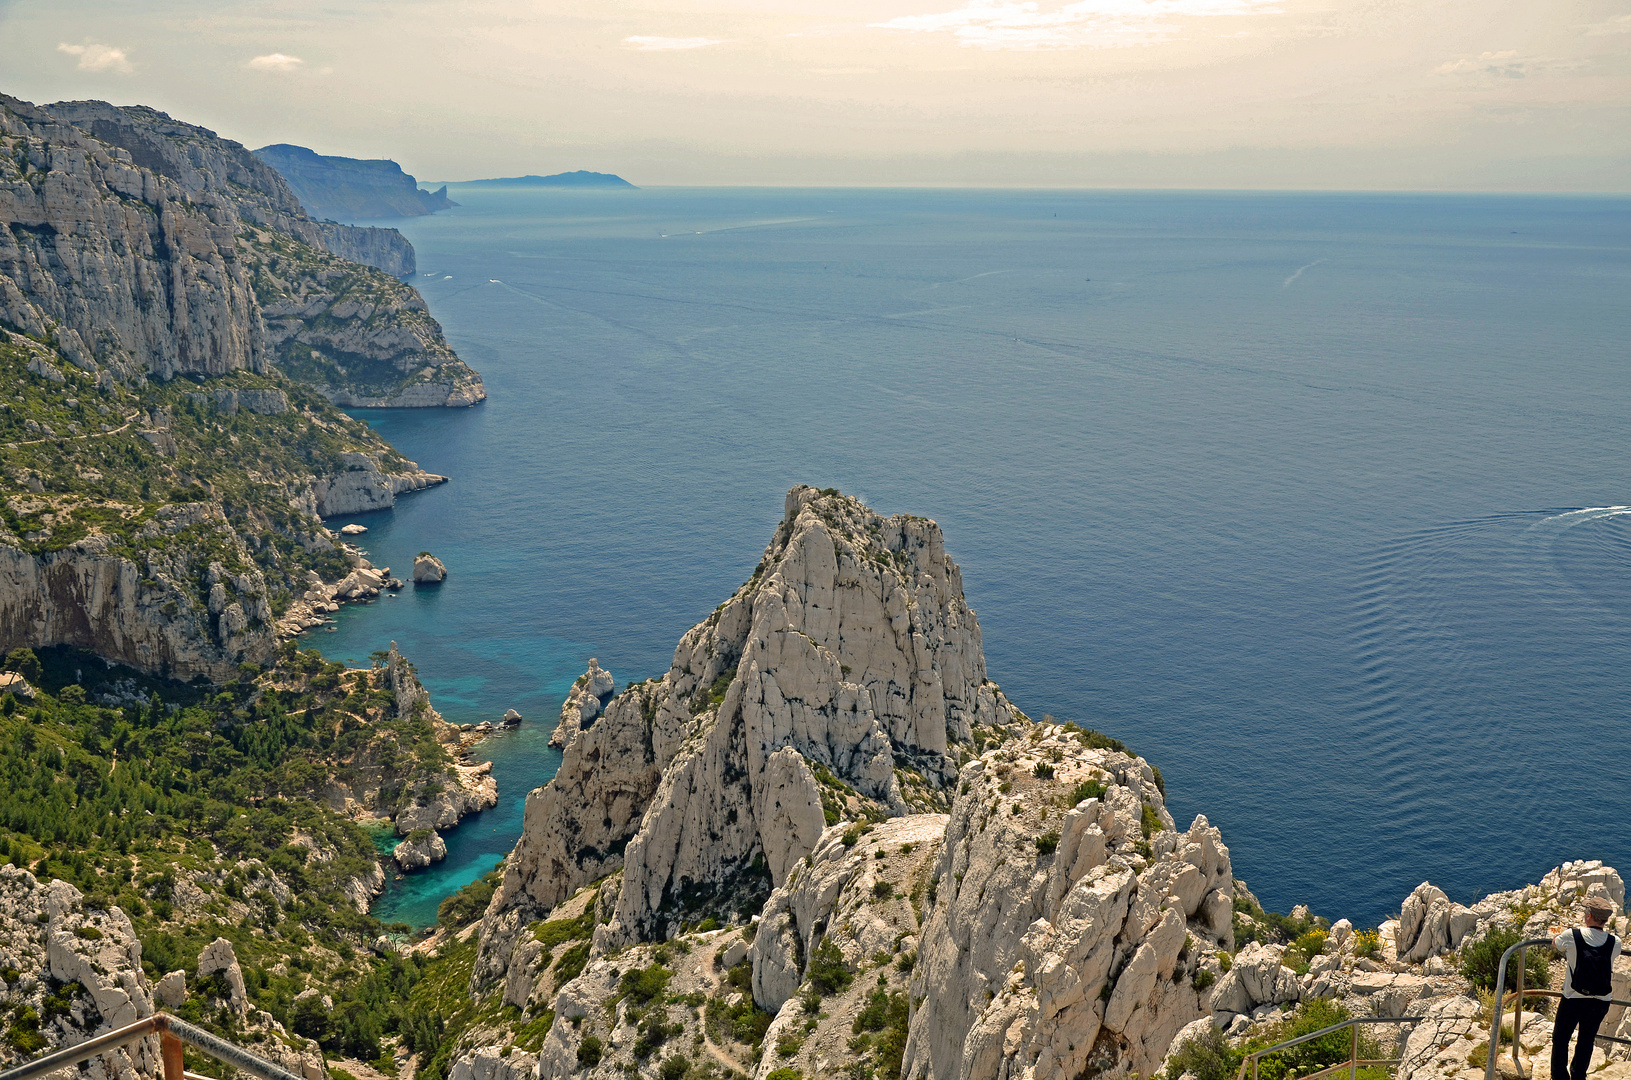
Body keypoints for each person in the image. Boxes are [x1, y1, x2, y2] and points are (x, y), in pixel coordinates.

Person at [1551, 895, 1622, 1080]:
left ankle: (1560, 1077)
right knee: (1586, 1040)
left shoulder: (1571, 935)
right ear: (1605, 920)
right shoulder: (1615, 942)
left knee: (1561, 1039)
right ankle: (1578, 1075)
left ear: (1589, 916)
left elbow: (1556, 944)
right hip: (1600, 1001)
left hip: (1573, 998)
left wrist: (1555, 936)